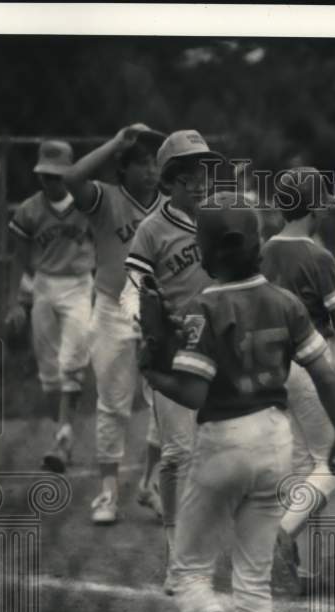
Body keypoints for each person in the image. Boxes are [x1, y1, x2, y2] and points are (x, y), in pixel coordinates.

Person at [144, 191, 335, 612]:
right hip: (275, 441)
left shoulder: (204, 306)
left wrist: (153, 372)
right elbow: (323, 372)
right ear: (258, 245)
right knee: (254, 584)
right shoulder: (284, 302)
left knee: (190, 576)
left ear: (205, 251)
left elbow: (194, 393)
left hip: (223, 440)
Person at [123, 130, 223, 570]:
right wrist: (147, 326)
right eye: (189, 176)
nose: (200, 183)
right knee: (178, 453)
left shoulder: (220, 219)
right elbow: (134, 288)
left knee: (221, 450)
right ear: (170, 181)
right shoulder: (152, 229)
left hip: (221, 348)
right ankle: (175, 554)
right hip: (174, 352)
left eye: (203, 173)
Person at [63, 123, 166, 523]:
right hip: (111, 308)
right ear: (123, 170)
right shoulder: (105, 198)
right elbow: (72, 177)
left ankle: (152, 482)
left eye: (154, 165)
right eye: (140, 165)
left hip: (158, 311)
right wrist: (117, 142)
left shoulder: (170, 204)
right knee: (113, 403)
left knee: (166, 401)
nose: (150, 172)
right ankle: (107, 491)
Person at [260, 166, 335, 592]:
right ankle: (281, 532)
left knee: (303, 465)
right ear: (314, 206)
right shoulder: (318, 256)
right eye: (326, 199)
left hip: (269, 364)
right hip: (309, 363)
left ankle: (302, 570)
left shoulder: (263, 250)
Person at [3, 140, 94, 471]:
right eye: (46, 175)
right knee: (49, 375)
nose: (51, 182)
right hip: (43, 285)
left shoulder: (87, 206)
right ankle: (63, 432)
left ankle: (63, 440)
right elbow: (18, 259)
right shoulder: (29, 210)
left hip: (79, 284)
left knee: (72, 359)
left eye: (58, 176)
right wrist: (15, 301)